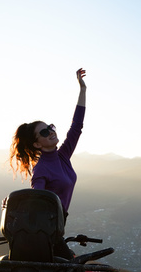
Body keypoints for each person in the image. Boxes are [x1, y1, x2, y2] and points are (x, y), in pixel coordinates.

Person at [9, 68, 87, 258]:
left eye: (50, 127)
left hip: (58, 226)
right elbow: (36, 201)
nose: (51, 132)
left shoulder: (62, 156)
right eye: (44, 132)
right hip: (48, 232)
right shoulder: (42, 169)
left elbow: (76, 127)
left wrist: (82, 91)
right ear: (37, 143)